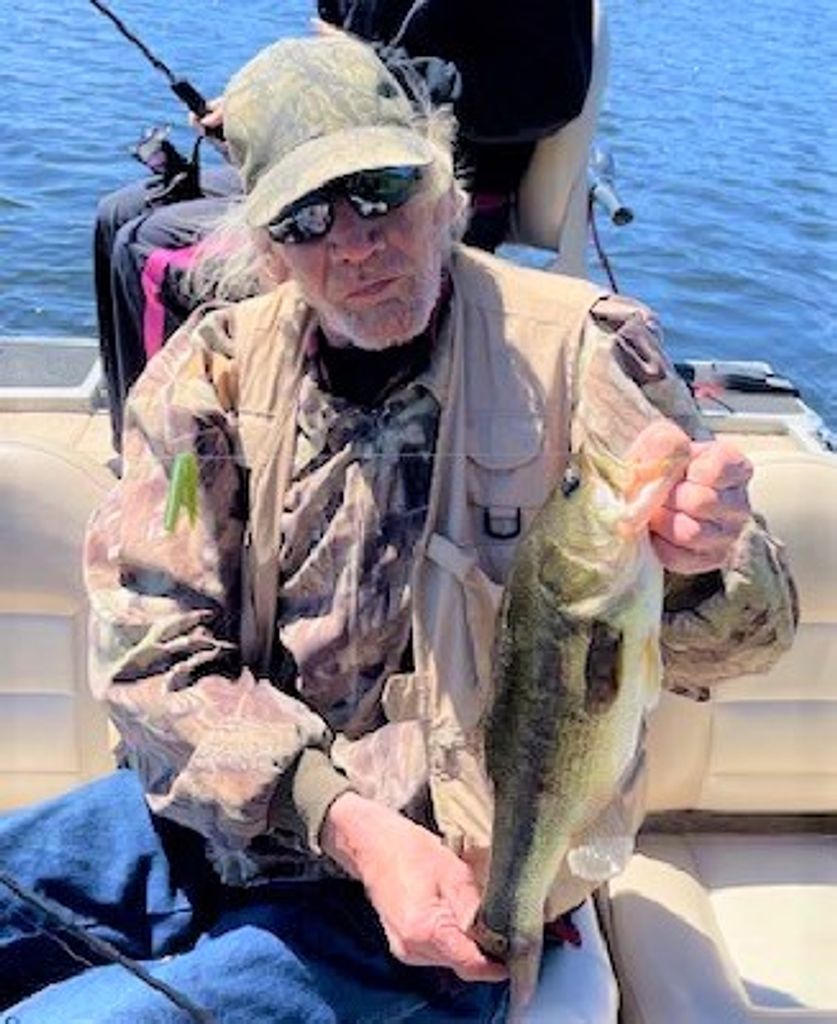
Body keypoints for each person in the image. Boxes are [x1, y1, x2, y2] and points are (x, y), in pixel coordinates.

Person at [0, 33, 797, 1023]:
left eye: (380, 190)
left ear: (444, 187)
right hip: (243, 817)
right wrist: (336, 815)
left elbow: (748, 635)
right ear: (268, 247)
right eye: (306, 216)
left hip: (458, 886)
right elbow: (150, 655)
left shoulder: (581, 354)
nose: (353, 241)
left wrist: (706, 557)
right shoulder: (208, 373)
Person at [93, 0, 596, 452]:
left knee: (148, 249)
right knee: (119, 213)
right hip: (330, 168)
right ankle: (135, 446)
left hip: (432, 185)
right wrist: (262, 121)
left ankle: (169, 460)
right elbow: (329, 64)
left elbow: (550, 93)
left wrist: (386, 72)